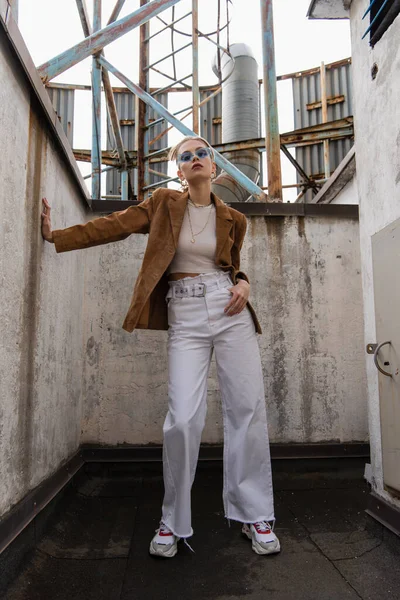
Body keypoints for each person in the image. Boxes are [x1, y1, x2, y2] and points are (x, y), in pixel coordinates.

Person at [41, 135, 280, 558]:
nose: (195, 159)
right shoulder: (164, 204)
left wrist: (244, 281)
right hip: (185, 315)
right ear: (179, 170)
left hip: (230, 313)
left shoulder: (233, 219)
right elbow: (112, 225)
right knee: (183, 419)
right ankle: (173, 520)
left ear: (213, 164)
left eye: (201, 152)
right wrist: (56, 236)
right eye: (185, 156)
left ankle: (254, 515)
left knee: (246, 409)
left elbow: (233, 266)